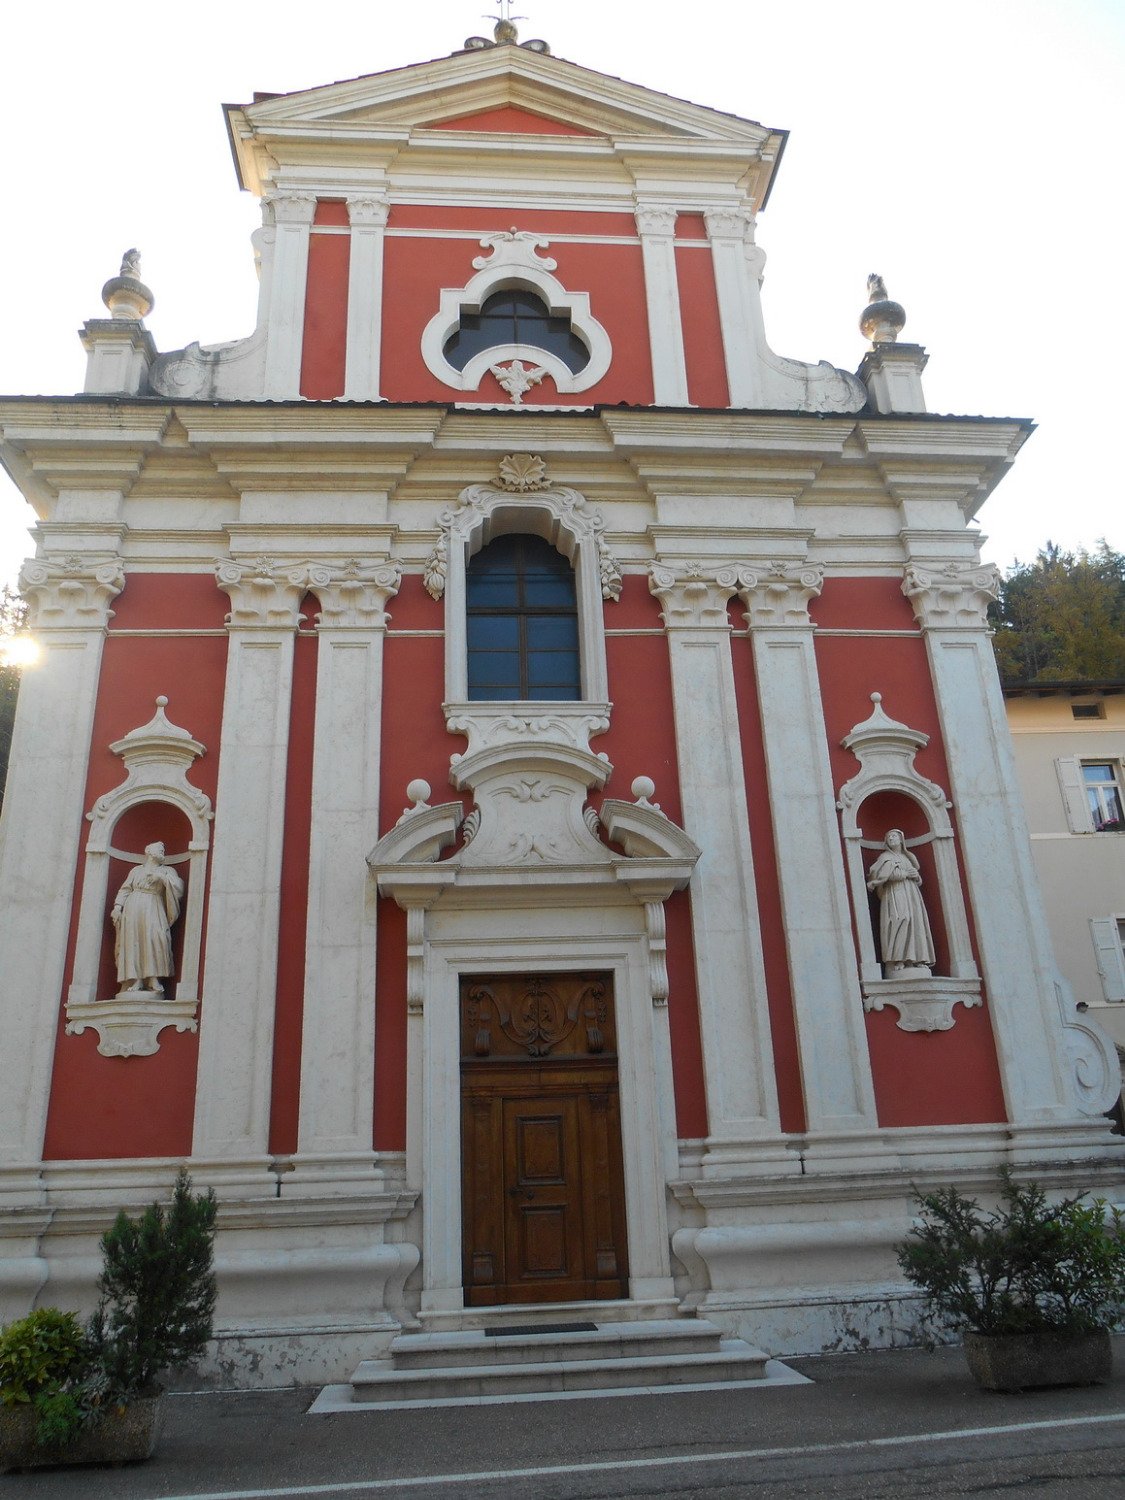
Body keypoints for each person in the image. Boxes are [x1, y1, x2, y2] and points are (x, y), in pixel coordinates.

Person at [110, 841, 184, 994]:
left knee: (157, 938)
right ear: (149, 851)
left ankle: (154, 978)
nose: (163, 851)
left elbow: (179, 887)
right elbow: (125, 889)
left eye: (164, 849)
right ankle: (136, 980)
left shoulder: (167, 871)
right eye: (160, 849)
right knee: (134, 941)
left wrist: (161, 878)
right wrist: (118, 907)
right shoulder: (136, 871)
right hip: (133, 906)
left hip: (154, 905)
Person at [866, 829, 935, 974]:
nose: (891, 838)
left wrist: (916, 876)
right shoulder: (885, 857)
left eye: (894, 836)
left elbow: (918, 878)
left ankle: (916, 959)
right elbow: (875, 874)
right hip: (895, 892)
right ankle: (898, 958)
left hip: (911, 893)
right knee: (901, 919)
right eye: (889, 836)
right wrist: (901, 874)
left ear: (901, 840)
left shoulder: (908, 857)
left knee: (916, 922)